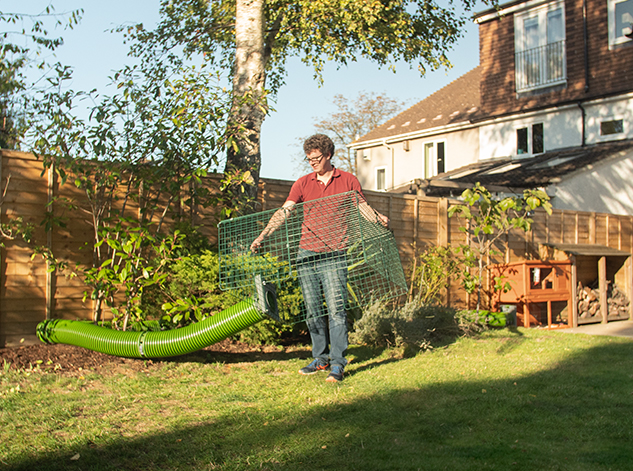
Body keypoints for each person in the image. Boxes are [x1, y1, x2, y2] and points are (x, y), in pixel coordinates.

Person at [250, 134, 388, 382]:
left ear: (328, 155)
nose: (312, 162)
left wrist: (377, 219)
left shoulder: (347, 180)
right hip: (307, 252)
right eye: (309, 158)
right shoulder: (303, 183)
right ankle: (320, 359)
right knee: (312, 309)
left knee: (336, 309)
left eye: (316, 158)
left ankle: (338, 363)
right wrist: (263, 236)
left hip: (335, 253)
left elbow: (361, 206)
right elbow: (285, 211)